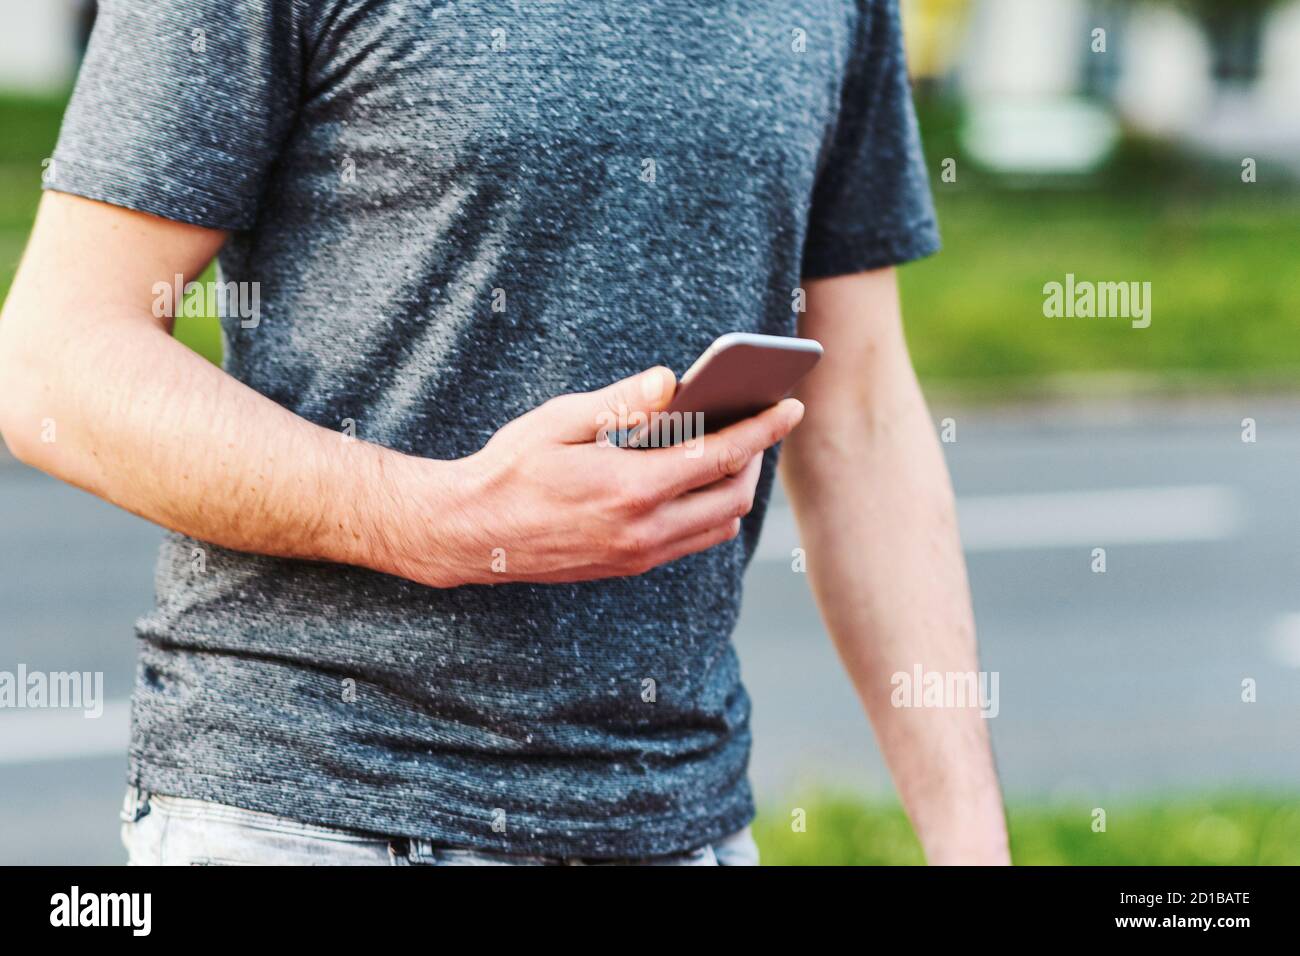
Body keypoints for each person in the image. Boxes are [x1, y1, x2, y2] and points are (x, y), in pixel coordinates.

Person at [0, 0, 1009, 865]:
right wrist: (436, 518)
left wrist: (971, 844)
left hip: (681, 819)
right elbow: (55, 358)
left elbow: (862, 409)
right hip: (308, 811)